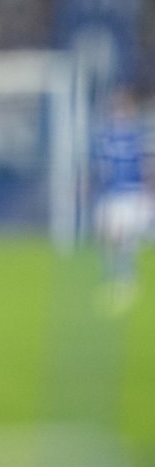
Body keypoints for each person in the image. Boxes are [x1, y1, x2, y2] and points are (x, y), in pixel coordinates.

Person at [91, 85, 154, 315]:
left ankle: (125, 281)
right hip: (112, 194)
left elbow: (147, 165)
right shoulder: (105, 135)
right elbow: (99, 167)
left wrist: (148, 190)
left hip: (132, 193)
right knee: (106, 236)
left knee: (122, 236)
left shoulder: (139, 135)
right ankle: (121, 278)